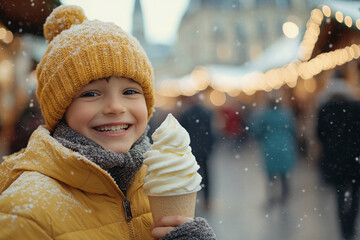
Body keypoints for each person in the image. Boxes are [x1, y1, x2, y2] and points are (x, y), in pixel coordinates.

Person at [0, 5, 216, 240]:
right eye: (91, 93)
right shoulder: (26, 214)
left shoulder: (158, 180)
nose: (115, 107)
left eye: (130, 91)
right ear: (61, 111)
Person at [316, 78, 360, 240]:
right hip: (355, 159)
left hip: (334, 159)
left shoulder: (325, 109)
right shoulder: (356, 107)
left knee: (340, 195)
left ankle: (344, 229)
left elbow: (319, 134)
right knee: (355, 195)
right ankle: (351, 227)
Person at [250, 91, 298, 208]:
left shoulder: (264, 115)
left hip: (269, 146)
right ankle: (285, 196)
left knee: (270, 174)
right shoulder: (286, 114)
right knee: (284, 174)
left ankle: (271, 197)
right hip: (285, 145)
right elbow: (293, 130)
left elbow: (257, 131)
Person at [179, 94, 215, 209]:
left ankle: (191, 200)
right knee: (206, 174)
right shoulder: (207, 112)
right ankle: (207, 200)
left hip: (191, 148)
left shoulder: (185, 114)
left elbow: (182, 132)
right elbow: (211, 131)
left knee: (190, 175)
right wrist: (210, 146)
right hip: (204, 148)